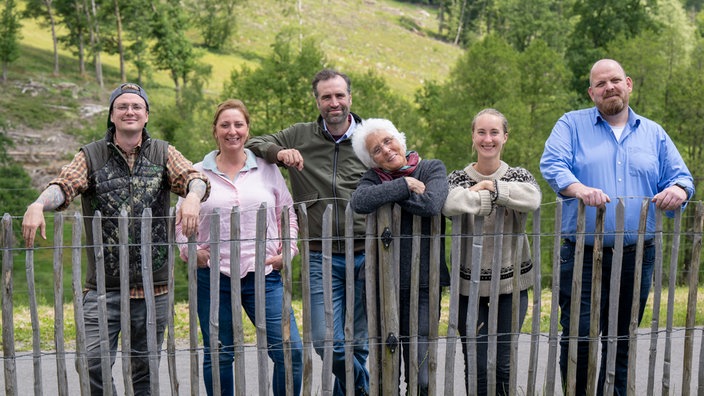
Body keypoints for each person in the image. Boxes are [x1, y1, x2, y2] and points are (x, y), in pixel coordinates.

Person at [21, 82, 210, 395]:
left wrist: (192, 197)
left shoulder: (162, 153)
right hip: (102, 288)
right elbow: (64, 185)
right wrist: (38, 203)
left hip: (154, 288)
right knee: (91, 364)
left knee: (144, 373)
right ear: (112, 115)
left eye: (137, 106)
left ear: (146, 115)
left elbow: (196, 178)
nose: (130, 111)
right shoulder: (91, 155)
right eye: (122, 106)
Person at [540, 59, 695, 395]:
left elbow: (681, 177)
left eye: (614, 80)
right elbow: (552, 165)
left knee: (621, 340)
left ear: (628, 84)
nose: (609, 87)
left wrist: (678, 190)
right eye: (600, 83)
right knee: (580, 337)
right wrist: (579, 189)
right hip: (581, 252)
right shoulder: (570, 125)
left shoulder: (654, 133)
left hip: (637, 255)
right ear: (591, 92)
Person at [246, 69, 369, 395]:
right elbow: (256, 142)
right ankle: (366, 388)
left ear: (350, 98)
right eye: (326, 97)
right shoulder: (300, 134)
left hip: (366, 252)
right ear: (317, 101)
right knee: (325, 342)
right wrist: (280, 153)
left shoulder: (368, 137)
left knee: (358, 343)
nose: (334, 102)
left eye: (339, 95)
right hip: (319, 253)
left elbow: (397, 158)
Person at [175, 99, 303, 396]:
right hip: (213, 278)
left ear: (247, 129)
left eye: (238, 125)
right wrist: (190, 252)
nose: (232, 131)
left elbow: (287, 213)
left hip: (265, 275)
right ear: (215, 131)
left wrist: (289, 250)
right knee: (220, 355)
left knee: (290, 351)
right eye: (225, 125)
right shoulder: (196, 173)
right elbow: (179, 222)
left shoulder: (268, 170)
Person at [442, 108, 541, 395]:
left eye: (494, 132)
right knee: (476, 363)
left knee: (504, 364)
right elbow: (448, 203)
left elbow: (533, 198)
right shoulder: (458, 178)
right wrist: (493, 198)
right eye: (481, 132)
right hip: (467, 288)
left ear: (505, 137)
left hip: (511, 285)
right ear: (472, 137)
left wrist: (489, 187)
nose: (488, 139)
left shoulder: (518, 174)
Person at [349, 118, 450, 395]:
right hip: (381, 284)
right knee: (386, 368)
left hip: (423, 283)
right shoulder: (371, 178)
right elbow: (359, 201)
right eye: (376, 150)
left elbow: (431, 204)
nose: (386, 150)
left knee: (421, 372)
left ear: (400, 139)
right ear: (372, 161)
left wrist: (388, 194)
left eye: (388, 141)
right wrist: (405, 185)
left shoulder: (432, 168)